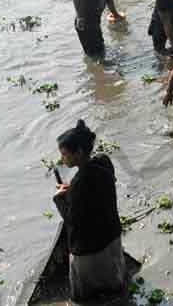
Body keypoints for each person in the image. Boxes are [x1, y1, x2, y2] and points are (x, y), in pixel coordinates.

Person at [53, 120, 127, 302]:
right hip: (112, 237)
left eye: (65, 155)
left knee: (82, 297)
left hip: (90, 249)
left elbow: (72, 220)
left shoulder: (79, 184)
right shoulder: (103, 162)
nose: (63, 159)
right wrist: (71, 191)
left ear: (78, 153)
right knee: (114, 284)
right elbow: (96, 189)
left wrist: (59, 199)